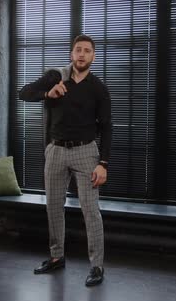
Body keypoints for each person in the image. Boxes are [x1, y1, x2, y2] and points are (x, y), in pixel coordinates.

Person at [19, 34, 112, 287]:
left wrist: (102, 164)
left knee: (90, 211)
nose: (82, 54)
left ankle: (97, 266)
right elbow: (24, 93)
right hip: (56, 151)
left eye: (87, 51)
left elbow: (107, 128)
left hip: (86, 153)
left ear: (93, 57)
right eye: (78, 50)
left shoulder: (98, 88)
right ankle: (56, 257)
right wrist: (48, 93)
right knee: (53, 207)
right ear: (72, 54)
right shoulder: (55, 76)